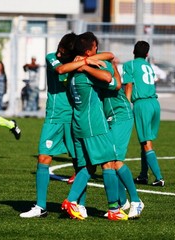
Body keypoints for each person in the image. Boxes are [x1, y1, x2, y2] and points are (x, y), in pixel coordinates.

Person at [61, 32, 128, 221]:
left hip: (78, 123)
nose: (97, 50)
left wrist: (84, 63)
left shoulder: (72, 73)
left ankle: (72, 201)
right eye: (95, 48)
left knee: (88, 167)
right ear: (91, 49)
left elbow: (108, 56)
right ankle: (114, 209)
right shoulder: (85, 73)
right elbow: (110, 80)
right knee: (108, 163)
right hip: (94, 125)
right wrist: (89, 66)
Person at [20, 32, 79, 218]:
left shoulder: (78, 61)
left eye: (64, 52)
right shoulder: (52, 58)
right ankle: (41, 206)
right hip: (53, 118)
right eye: (60, 49)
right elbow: (61, 70)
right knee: (43, 158)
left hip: (73, 117)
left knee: (80, 163)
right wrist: (83, 62)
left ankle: (79, 205)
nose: (60, 53)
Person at [101, 60, 144, 219]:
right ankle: (122, 202)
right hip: (110, 118)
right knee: (107, 161)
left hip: (121, 117)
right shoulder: (97, 65)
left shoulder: (103, 70)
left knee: (116, 161)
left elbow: (122, 83)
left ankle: (136, 201)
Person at [123, 40, 164, 187]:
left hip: (142, 104)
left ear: (133, 51)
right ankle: (143, 175)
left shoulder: (130, 65)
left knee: (146, 143)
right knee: (145, 141)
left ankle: (159, 177)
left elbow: (128, 84)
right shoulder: (148, 66)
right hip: (154, 103)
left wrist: (126, 104)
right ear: (147, 54)